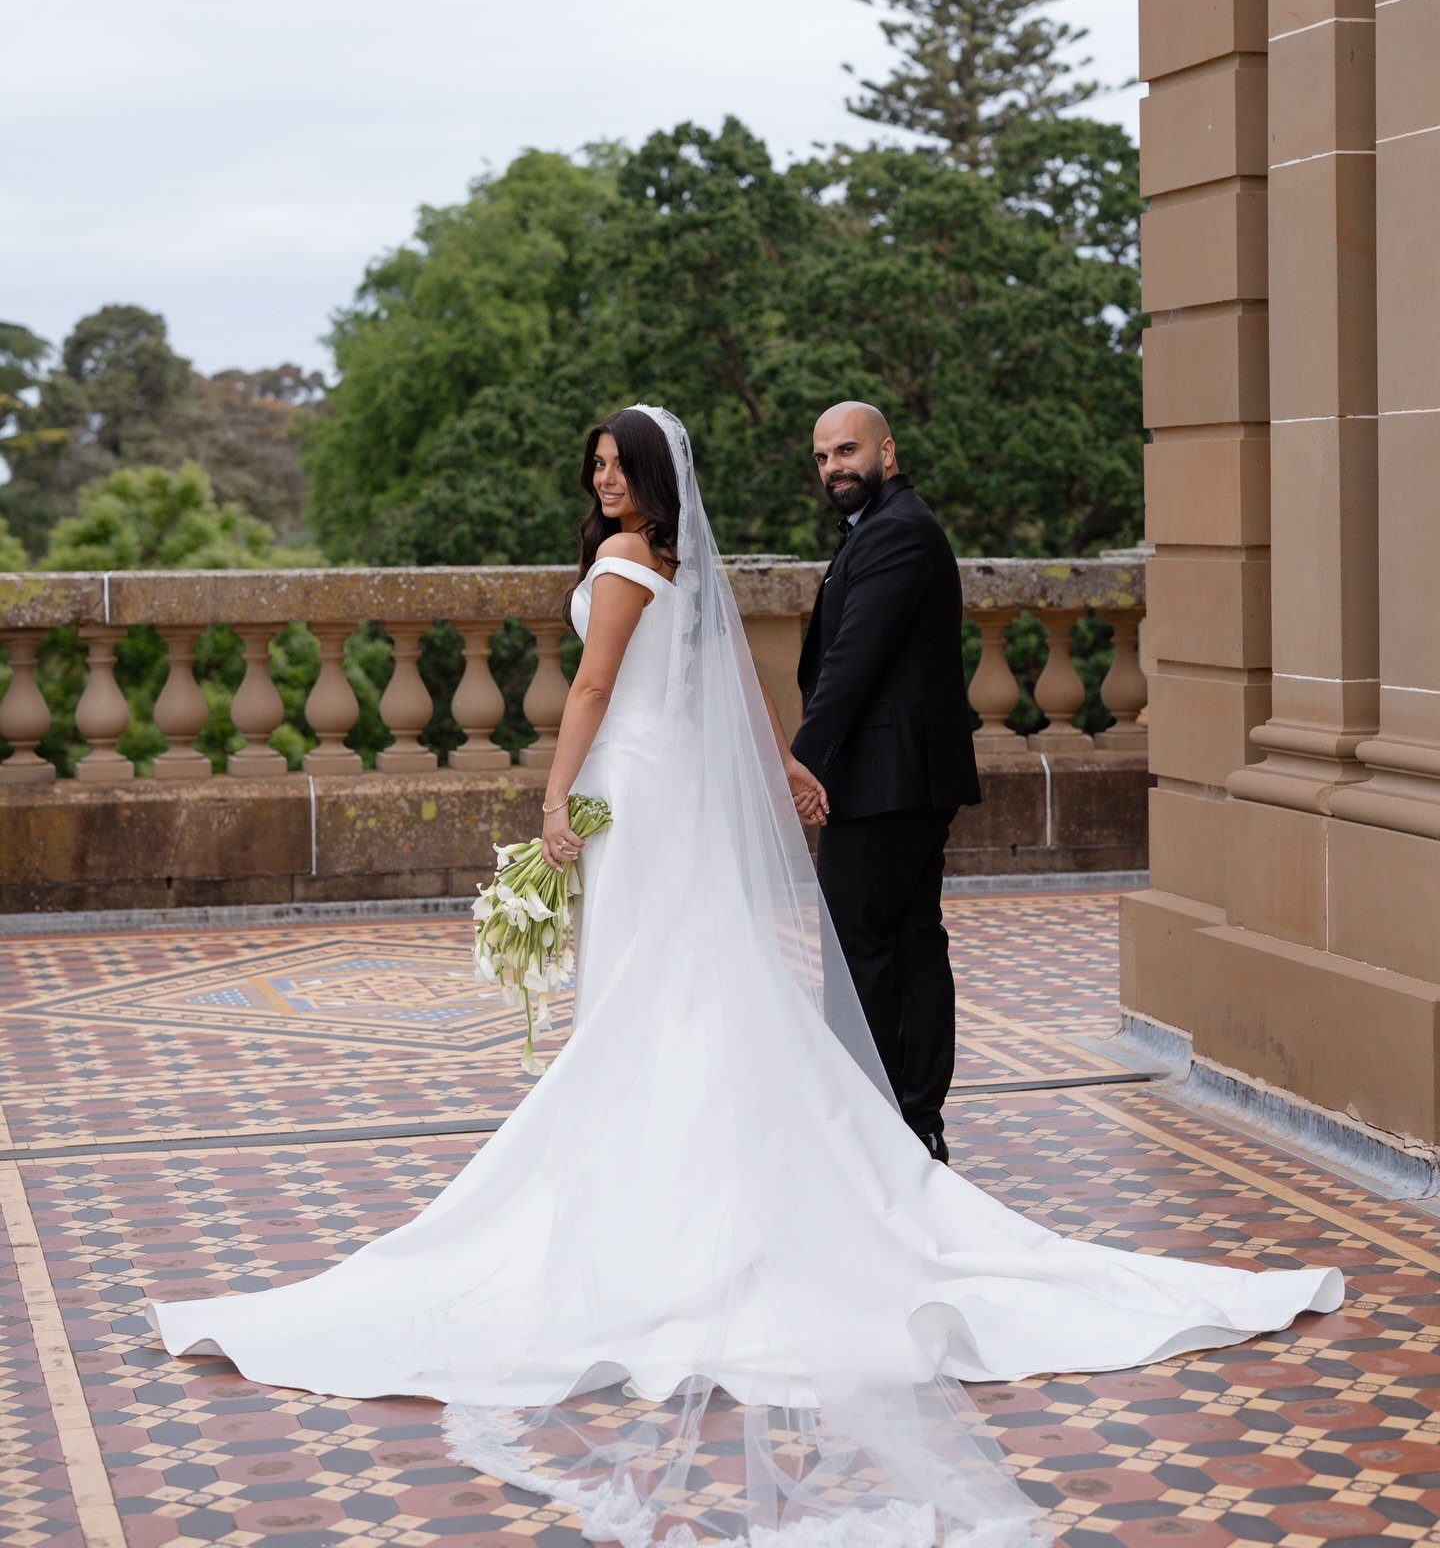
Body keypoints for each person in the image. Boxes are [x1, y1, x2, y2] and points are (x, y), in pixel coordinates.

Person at [145, 404, 1343, 1548]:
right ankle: (729, 1184)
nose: (603, 485)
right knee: (692, 986)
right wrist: (784, 769)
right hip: (675, 799)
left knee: (656, 994)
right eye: (596, 469)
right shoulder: (687, 567)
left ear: (652, 484)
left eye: (618, 468)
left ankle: (679, 1207)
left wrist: (553, 796)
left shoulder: (626, 564)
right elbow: (745, 682)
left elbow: (598, 689)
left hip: (634, 790)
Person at [791, 403, 977, 1165]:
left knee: (866, 948)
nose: (835, 466)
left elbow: (853, 662)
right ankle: (912, 1119)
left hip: (884, 781)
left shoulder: (898, 530)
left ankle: (880, 1117)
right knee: (907, 940)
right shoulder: (878, 527)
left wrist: (801, 759)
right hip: (897, 778)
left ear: (887, 453)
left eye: (848, 451)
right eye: (823, 457)